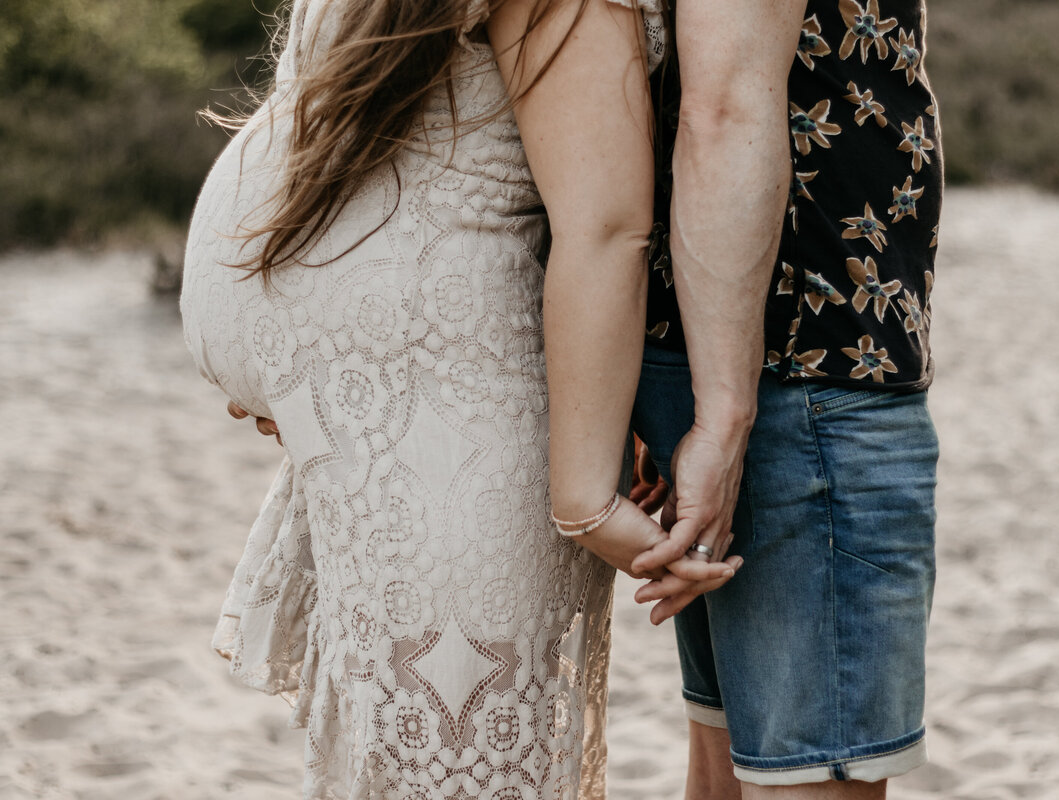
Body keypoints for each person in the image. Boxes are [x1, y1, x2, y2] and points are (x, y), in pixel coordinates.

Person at [179, 0, 737, 797]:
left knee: (442, 755)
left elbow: (599, 223)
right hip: (416, 414)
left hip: (439, 418)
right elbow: (606, 223)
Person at [628, 0, 942, 797]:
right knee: (811, 778)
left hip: (722, 348)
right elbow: (725, 104)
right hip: (802, 363)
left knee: (729, 766)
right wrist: (725, 416)